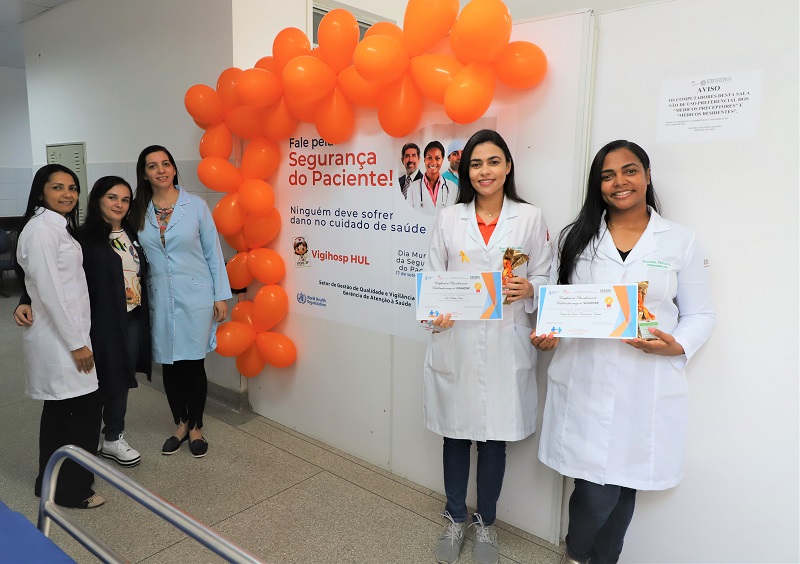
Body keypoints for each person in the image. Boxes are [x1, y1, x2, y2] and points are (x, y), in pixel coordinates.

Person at [531, 140, 715, 564]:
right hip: (585, 378)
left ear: (647, 176)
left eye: (629, 171)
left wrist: (677, 345)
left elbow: (701, 313)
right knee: (596, 493)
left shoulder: (680, 241)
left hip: (644, 385)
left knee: (623, 489)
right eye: (607, 175)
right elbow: (558, 304)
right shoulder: (575, 238)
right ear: (598, 185)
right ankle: (576, 554)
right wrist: (549, 331)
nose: (619, 182)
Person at [423, 129, 552, 564]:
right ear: (466, 171)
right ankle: (455, 517)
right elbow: (433, 276)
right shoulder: (448, 218)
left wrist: (529, 288)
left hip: (504, 342)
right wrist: (435, 312)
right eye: (476, 164)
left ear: (508, 166)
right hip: (457, 339)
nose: (485, 171)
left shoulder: (530, 217)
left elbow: (546, 275)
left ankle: (486, 524)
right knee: (456, 435)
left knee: (495, 440)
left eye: (493, 161)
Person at [15, 176, 153, 469]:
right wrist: (24, 300)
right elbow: (46, 274)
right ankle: (91, 438)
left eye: (125, 199)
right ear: (98, 199)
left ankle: (113, 435)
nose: (119, 204)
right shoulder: (82, 237)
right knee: (100, 380)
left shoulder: (130, 232)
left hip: (131, 317)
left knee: (122, 377)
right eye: (112, 197)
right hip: (100, 321)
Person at [129, 145, 231, 459]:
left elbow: (213, 252)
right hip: (159, 297)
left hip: (197, 295)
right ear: (144, 174)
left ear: (174, 168)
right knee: (169, 364)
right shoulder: (137, 211)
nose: (160, 170)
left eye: (166, 163)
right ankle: (181, 423)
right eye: (152, 166)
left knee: (193, 363)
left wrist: (220, 295)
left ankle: (196, 425)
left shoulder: (196, 206)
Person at [14, 164, 104, 508]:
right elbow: (50, 292)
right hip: (61, 341)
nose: (68, 194)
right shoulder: (41, 230)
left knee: (59, 415)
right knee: (80, 414)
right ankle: (71, 491)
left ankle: (48, 482)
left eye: (72, 188)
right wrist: (77, 344)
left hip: (66, 335)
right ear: (41, 192)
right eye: (58, 187)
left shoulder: (57, 226)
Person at [410, 140, 458, 215]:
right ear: (424, 160)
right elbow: (408, 216)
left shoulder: (453, 187)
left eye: (437, 158)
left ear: (442, 160)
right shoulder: (412, 188)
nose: (433, 162)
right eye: (429, 158)